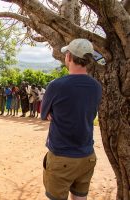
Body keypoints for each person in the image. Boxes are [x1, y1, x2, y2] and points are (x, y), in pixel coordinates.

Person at [41, 38, 102, 200]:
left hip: (62, 156)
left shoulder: (57, 85)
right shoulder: (96, 86)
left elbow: (44, 114)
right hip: (87, 156)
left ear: (69, 56)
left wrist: (55, 113)